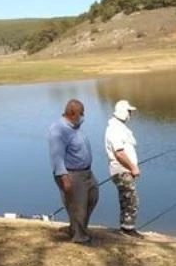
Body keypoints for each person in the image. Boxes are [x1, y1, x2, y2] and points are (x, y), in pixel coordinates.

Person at [47, 99, 99, 243]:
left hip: (86, 172)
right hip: (72, 174)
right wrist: (63, 176)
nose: (83, 116)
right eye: (81, 114)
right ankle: (79, 236)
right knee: (78, 206)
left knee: (92, 197)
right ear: (72, 112)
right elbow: (56, 155)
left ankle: (76, 229)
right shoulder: (58, 129)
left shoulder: (74, 127)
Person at [104, 99, 143, 238]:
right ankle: (128, 229)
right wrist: (133, 167)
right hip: (121, 170)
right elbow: (119, 153)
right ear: (122, 112)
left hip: (124, 170)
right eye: (129, 112)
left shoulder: (119, 127)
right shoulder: (114, 129)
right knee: (131, 199)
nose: (130, 115)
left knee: (126, 198)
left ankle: (126, 227)